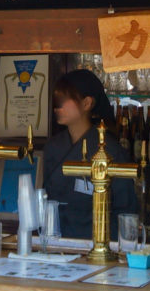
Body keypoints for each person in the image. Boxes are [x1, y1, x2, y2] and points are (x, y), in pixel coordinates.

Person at [42, 69, 137, 240]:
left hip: (99, 244)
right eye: (56, 100)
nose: (57, 107)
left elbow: (125, 213)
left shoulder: (111, 151)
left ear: (87, 103)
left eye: (63, 100)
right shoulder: (53, 147)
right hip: (54, 244)